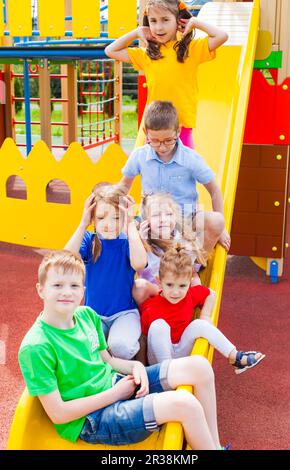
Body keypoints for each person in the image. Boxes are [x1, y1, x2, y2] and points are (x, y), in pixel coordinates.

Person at [18, 250, 223, 450]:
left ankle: (215, 445)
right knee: (185, 404)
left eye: (74, 285)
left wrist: (135, 366)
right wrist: (115, 394)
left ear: (83, 289)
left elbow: (108, 361)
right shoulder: (36, 346)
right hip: (92, 419)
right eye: (57, 285)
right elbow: (59, 414)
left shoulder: (86, 316)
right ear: (41, 289)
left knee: (200, 367)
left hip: (115, 385)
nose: (67, 292)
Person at [105, 0, 228, 149]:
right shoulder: (147, 55)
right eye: (153, 21)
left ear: (178, 21)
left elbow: (222, 36)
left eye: (165, 20)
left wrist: (195, 22)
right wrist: (137, 32)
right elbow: (110, 50)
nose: (159, 27)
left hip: (182, 127)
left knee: (185, 170)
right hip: (154, 129)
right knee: (152, 171)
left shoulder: (191, 50)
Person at [120, 100, 231, 251]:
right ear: (146, 133)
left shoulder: (190, 159)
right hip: (152, 222)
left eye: (168, 140)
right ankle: (146, 262)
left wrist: (222, 228)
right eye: (155, 141)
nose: (162, 146)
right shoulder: (139, 156)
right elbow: (124, 186)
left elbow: (214, 190)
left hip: (184, 222)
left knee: (217, 221)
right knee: (118, 228)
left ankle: (194, 262)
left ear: (178, 132)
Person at [138, 245, 265, 372]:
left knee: (199, 324)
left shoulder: (190, 295)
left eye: (182, 285)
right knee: (159, 326)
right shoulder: (150, 306)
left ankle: (235, 357)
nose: (175, 292)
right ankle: (167, 374)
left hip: (181, 350)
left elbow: (211, 293)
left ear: (189, 282)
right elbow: (143, 339)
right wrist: (142, 368)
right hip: (159, 362)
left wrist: (205, 315)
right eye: (170, 285)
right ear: (159, 281)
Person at [64, 183, 147, 360]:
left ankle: (136, 346)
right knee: (84, 350)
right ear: (93, 219)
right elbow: (66, 259)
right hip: (93, 315)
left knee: (121, 347)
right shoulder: (90, 240)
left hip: (124, 313)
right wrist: (83, 223)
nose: (108, 225)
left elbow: (140, 263)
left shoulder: (127, 242)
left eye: (116, 218)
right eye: (101, 218)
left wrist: (131, 223)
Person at [133, 192, 206, 306]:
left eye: (169, 214)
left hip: (178, 292)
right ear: (146, 221)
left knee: (204, 290)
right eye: (156, 215)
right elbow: (138, 267)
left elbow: (192, 273)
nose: (163, 219)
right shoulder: (142, 244)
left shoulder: (182, 240)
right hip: (156, 296)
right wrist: (140, 241)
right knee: (139, 287)